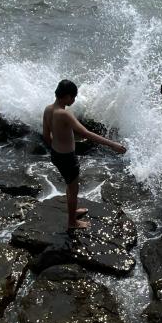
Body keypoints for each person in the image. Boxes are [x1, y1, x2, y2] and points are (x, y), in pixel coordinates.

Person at [43, 79, 126, 229]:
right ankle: (72, 222)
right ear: (67, 96)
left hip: (56, 154)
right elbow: (86, 133)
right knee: (73, 189)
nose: (74, 100)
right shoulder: (64, 114)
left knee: (70, 185)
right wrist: (112, 144)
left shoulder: (48, 110)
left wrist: (55, 149)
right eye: (73, 97)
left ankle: (72, 211)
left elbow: (46, 135)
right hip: (67, 158)